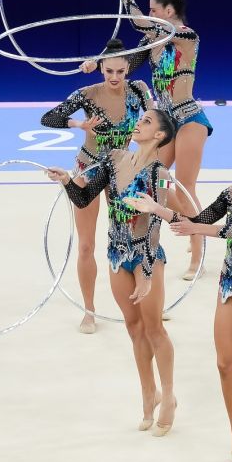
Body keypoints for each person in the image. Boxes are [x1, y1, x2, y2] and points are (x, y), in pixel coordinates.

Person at [124, 138, 232, 462]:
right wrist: (158, 209)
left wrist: (196, 228)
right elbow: (199, 217)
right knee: (225, 364)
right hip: (230, 284)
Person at [45, 109, 178, 435]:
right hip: (117, 254)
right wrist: (67, 181)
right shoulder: (113, 158)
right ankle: (149, 393)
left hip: (145, 256)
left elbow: (156, 225)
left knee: (154, 329)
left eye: (147, 122)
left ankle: (169, 395)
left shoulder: (159, 173)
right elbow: (84, 196)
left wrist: (147, 272)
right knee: (133, 328)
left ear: (159, 135)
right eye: (141, 119)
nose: (139, 123)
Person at [41, 38, 153, 333]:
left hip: (121, 170)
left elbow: (156, 119)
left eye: (120, 71)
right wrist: (79, 125)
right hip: (88, 169)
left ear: (128, 67)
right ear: (100, 69)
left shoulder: (139, 91)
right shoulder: (87, 94)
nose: (114, 78)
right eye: (108, 72)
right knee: (87, 244)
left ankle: (146, 302)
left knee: (132, 240)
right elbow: (49, 117)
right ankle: (89, 311)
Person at [113, 0, 212, 279]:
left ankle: (198, 252)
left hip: (189, 119)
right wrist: (100, 65)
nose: (151, 15)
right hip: (166, 122)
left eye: (154, 10)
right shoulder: (151, 40)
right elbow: (125, 65)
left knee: (184, 185)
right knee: (163, 186)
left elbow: (138, 22)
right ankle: (190, 227)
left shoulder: (187, 36)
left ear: (169, 12)